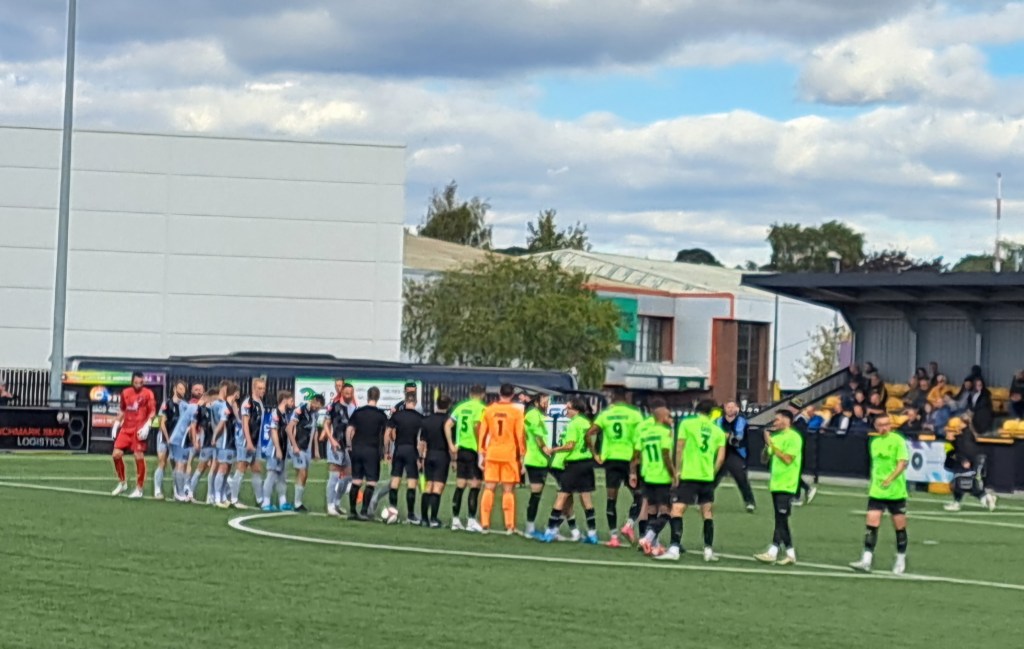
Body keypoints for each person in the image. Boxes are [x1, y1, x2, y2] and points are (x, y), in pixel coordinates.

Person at [655, 399, 726, 562]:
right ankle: (708, 550)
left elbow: (680, 447)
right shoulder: (718, 431)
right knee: (707, 512)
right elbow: (721, 458)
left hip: (689, 475)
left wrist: (677, 471)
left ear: (697, 410)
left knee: (677, 510)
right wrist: (712, 472)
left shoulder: (687, 424)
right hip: (707, 477)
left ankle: (674, 549)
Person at [849, 415, 910, 575]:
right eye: (881, 425)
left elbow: (902, 463)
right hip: (877, 491)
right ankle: (866, 559)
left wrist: (890, 479)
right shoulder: (874, 442)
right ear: (875, 426)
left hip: (896, 492)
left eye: (887, 424)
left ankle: (900, 559)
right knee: (871, 524)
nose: (884, 427)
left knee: (899, 527)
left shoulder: (898, 440)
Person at [538, 399, 599, 544]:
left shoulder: (573, 424)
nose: (566, 410)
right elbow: (589, 442)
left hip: (574, 464)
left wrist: (554, 449)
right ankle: (592, 534)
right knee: (586, 500)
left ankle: (550, 531)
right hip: (587, 463)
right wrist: (594, 455)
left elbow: (570, 445)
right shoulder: (586, 423)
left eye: (568, 408)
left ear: (575, 410)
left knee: (562, 496)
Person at [589, 390, 644, 548]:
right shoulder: (635, 415)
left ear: (612, 399)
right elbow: (640, 438)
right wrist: (635, 462)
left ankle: (614, 537)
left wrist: (595, 454)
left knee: (611, 499)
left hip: (611, 460)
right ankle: (629, 524)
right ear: (626, 399)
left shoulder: (606, 415)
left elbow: (589, 433)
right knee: (640, 495)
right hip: (629, 459)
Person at [755, 410, 804, 566]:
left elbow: (788, 459)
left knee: (781, 519)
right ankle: (776, 551)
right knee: (779, 519)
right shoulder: (777, 437)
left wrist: (771, 445)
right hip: (776, 484)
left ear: (786, 420)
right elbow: (764, 459)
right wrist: (766, 445)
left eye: (777, 419)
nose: (774, 422)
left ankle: (787, 552)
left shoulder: (794, 437)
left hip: (787, 484)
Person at [478, 384, 526, 534]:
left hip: (492, 453)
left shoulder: (489, 410)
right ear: (512, 395)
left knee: (489, 488)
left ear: (499, 393)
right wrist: (522, 456)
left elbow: (482, 433)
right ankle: (509, 525)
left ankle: (485, 524)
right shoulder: (516, 412)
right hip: (509, 454)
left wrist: (482, 453)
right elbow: (520, 435)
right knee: (508, 490)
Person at [632, 405, 675, 556]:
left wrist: (633, 473)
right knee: (667, 511)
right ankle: (648, 538)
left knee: (651, 510)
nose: (671, 419)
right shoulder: (666, 433)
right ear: (662, 418)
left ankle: (653, 544)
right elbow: (665, 455)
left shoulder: (645, 433)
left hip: (647, 476)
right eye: (669, 416)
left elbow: (636, 455)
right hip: (661, 477)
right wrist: (673, 474)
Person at [446, 385, 487, 532]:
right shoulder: (482, 408)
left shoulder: (461, 407)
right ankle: (471, 521)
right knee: (475, 485)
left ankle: (455, 520)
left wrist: (451, 445)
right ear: (482, 395)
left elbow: (448, 425)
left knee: (460, 485)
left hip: (461, 450)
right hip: (474, 451)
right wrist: (481, 447)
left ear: (470, 394)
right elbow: (477, 426)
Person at [111, 371, 156, 498]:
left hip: (139, 429)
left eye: (141, 382)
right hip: (126, 428)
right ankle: (122, 483)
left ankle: (139, 489)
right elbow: (122, 410)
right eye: (136, 382)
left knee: (138, 456)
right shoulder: (125, 393)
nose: (138, 385)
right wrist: (116, 424)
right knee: (116, 455)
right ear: (132, 382)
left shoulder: (148, 393)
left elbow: (152, 411)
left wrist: (148, 425)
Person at [346, 387, 388, 521]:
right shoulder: (381, 415)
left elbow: (349, 430)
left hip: (357, 449)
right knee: (371, 482)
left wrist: (349, 446)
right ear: (378, 397)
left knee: (356, 481)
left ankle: (352, 511)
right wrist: (386, 450)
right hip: (372, 450)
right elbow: (386, 435)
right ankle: (364, 511)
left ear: (367, 396)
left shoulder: (358, 412)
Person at [386, 396, 425, 524]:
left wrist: (387, 451)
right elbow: (421, 440)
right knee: (411, 483)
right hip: (411, 451)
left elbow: (387, 433)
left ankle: (392, 512)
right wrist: (420, 457)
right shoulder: (419, 418)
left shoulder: (397, 415)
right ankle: (411, 515)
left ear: (405, 402)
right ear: (415, 403)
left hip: (398, 450)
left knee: (395, 482)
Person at [714, 401, 756, 512]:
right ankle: (704, 499)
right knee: (713, 476)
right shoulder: (718, 421)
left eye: (733, 407)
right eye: (728, 407)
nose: (730, 409)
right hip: (720, 451)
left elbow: (739, 436)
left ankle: (749, 502)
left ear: (737, 408)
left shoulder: (741, 421)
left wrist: (728, 436)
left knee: (741, 478)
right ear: (724, 408)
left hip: (735, 452)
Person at [286, 393, 324, 513]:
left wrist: (316, 450)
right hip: (298, 446)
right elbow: (289, 428)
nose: (317, 408)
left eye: (319, 408)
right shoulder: (300, 410)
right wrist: (294, 446)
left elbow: (314, 431)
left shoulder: (315, 414)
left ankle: (298, 502)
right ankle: (297, 504)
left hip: (307, 448)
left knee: (305, 474)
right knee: (301, 472)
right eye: (317, 406)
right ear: (313, 401)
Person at [418, 396, 453, 528]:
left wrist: (421, 458)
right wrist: (454, 459)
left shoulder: (427, 420)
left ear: (437, 404)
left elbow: (422, 442)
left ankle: (424, 519)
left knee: (428, 486)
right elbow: (450, 442)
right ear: (448, 405)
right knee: (438, 487)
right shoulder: (449, 421)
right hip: (442, 455)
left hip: (429, 455)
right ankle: (433, 519)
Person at [322, 382, 355, 516]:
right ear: (342, 393)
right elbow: (326, 424)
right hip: (335, 444)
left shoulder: (354, 408)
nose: (349, 395)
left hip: (347, 446)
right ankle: (330, 505)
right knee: (334, 475)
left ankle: (337, 502)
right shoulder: (333, 406)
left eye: (351, 393)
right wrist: (331, 439)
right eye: (346, 393)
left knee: (348, 476)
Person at [522, 393, 553, 537]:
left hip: (545, 460)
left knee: (562, 491)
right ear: (536, 403)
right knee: (536, 494)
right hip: (535, 459)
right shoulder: (532, 415)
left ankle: (553, 527)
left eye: (548, 401)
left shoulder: (543, 416)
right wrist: (545, 448)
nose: (547, 404)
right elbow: (537, 436)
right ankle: (529, 528)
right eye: (544, 401)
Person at [262, 391, 295, 512]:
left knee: (282, 477)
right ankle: (265, 502)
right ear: (284, 399)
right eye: (291, 400)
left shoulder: (285, 414)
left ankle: (282, 501)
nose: (293, 403)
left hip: (283, 449)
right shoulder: (276, 413)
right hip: (275, 450)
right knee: (271, 475)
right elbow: (273, 432)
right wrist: (278, 449)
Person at [237, 379, 267, 508]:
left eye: (263, 388)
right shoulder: (248, 403)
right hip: (246, 441)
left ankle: (260, 499)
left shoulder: (260, 403)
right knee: (241, 468)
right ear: (253, 388)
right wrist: (248, 442)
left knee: (256, 469)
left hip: (256, 441)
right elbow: (245, 424)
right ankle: (233, 498)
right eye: (259, 388)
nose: (262, 391)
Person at [155, 380, 187, 500]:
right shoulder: (167, 404)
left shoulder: (185, 405)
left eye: (184, 389)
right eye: (180, 388)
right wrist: (167, 438)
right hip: (165, 437)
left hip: (177, 440)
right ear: (174, 389)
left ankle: (177, 490)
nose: (182, 391)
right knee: (162, 462)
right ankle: (157, 490)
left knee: (176, 464)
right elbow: (161, 423)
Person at [168, 388, 202, 502]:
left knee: (182, 464)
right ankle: (180, 492)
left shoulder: (191, 406)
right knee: (181, 464)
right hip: (181, 439)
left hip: (180, 438)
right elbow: (192, 426)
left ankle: (180, 491)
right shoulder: (195, 408)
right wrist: (195, 442)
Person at [189, 388, 221, 503]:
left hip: (217, 443)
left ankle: (210, 496)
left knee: (214, 468)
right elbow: (194, 426)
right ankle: (190, 492)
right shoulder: (201, 410)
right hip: (207, 443)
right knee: (201, 467)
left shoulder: (217, 409)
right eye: (216, 398)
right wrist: (195, 441)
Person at [212, 383, 241, 508]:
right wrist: (214, 437)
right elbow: (221, 423)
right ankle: (217, 497)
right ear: (235, 393)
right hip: (225, 441)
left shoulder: (232, 406)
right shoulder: (225, 406)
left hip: (231, 441)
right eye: (238, 393)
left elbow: (238, 421)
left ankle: (223, 496)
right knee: (222, 468)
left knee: (228, 469)